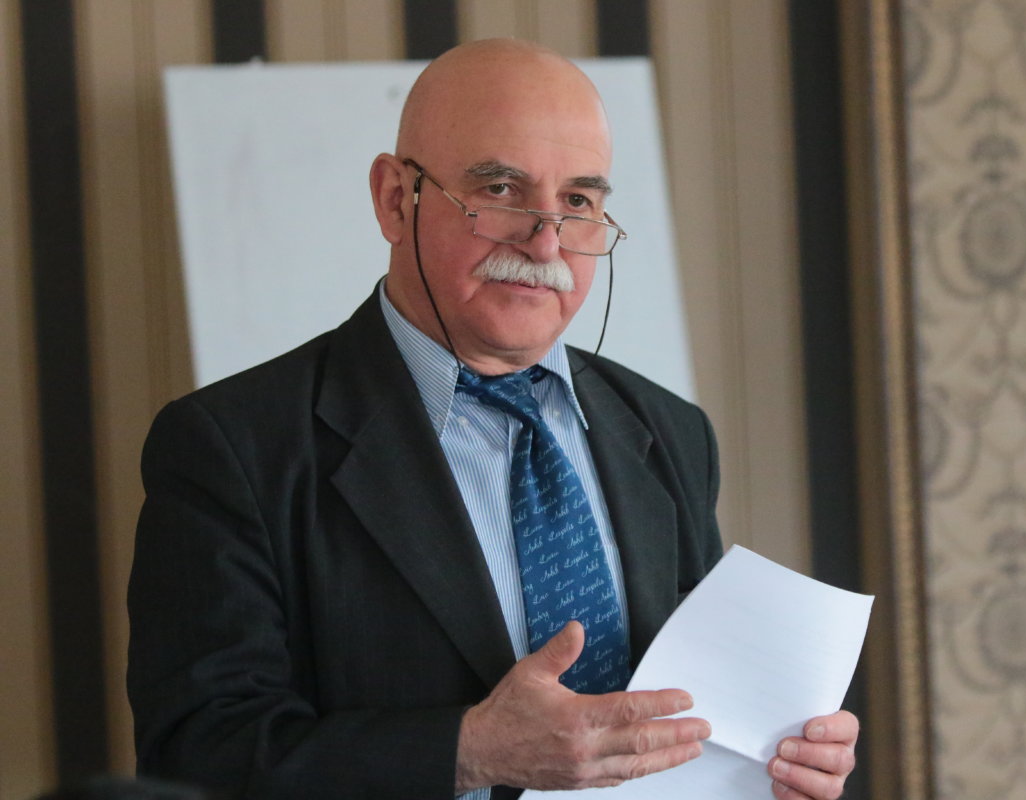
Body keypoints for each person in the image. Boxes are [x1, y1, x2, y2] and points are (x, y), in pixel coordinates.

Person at [127, 38, 858, 799]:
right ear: (394, 198)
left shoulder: (669, 432)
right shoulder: (232, 446)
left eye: (578, 202)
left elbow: (683, 718)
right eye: (502, 189)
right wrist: (468, 751)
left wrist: (770, 761)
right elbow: (195, 758)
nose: (545, 242)